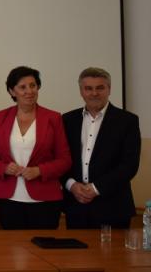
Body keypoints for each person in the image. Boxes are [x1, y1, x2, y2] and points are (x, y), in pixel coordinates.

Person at [0, 66, 71, 230]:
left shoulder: (53, 118)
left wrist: (40, 171)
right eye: (22, 87)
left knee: (43, 244)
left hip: (45, 198)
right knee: (12, 245)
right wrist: (4, 168)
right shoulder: (1, 117)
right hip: (8, 198)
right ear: (12, 91)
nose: (29, 91)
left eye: (33, 85)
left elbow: (64, 160)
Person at [62, 67, 141, 229]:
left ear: (109, 89)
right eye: (88, 88)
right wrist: (71, 185)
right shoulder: (67, 120)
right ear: (81, 91)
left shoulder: (127, 121)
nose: (94, 93)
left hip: (113, 207)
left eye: (100, 88)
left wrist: (96, 188)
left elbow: (129, 165)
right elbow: (61, 159)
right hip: (76, 206)